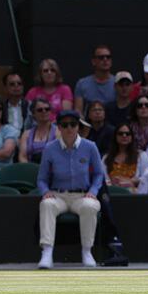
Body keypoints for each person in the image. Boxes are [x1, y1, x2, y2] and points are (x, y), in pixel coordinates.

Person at [33, 110, 102, 269]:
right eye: (64, 125)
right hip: (59, 195)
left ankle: (87, 251)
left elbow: (99, 174)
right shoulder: (50, 148)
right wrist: (45, 192)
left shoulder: (90, 147)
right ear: (59, 127)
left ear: (78, 126)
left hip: (82, 195)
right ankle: (47, 252)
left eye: (73, 124)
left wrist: (93, 191)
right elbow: (41, 178)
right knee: (47, 204)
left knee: (90, 206)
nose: (69, 128)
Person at [102, 122, 148, 192]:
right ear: (115, 136)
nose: (124, 136)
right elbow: (102, 179)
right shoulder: (106, 158)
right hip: (112, 193)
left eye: (128, 134)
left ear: (132, 137)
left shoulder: (142, 156)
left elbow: (147, 178)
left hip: (134, 195)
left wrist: (133, 181)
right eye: (120, 133)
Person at [73, 45, 115, 114]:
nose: (105, 59)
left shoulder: (118, 83)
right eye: (101, 57)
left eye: (108, 57)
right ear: (93, 61)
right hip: (88, 123)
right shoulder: (82, 84)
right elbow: (78, 111)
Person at [18, 98, 55, 164]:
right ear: (33, 113)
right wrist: (30, 169)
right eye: (40, 110)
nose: (44, 111)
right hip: (31, 169)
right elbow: (22, 157)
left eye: (47, 109)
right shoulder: (26, 134)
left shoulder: (59, 132)